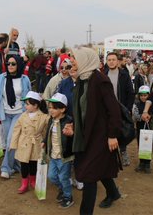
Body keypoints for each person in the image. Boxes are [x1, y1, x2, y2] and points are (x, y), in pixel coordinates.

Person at [67, 47, 122, 214]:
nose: (72, 61)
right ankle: (113, 193)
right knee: (99, 168)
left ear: (85, 59)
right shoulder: (82, 80)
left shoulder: (100, 80)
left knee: (89, 174)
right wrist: (74, 125)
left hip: (100, 136)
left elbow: (114, 110)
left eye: (75, 58)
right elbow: (81, 110)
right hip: (86, 136)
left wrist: (112, 135)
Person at [0, 53, 31, 179]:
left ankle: (5, 168)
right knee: (9, 141)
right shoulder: (1, 78)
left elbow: (28, 97)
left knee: (11, 139)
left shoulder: (24, 79)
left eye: (13, 64)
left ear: (19, 65)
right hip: (5, 114)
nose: (10, 66)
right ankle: (17, 165)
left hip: (19, 113)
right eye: (8, 64)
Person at [10, 91, 48, 194]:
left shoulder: (44, 117)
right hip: (24, 143)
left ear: (35, 105)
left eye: (28, 104)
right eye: (25, 104)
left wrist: (46, 143)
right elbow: (16, 130)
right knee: (24, 164)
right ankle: (24, 183)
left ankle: (33, 180)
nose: (25, 106)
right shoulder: (23, 116)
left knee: (33, 163)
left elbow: (46, 132)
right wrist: (13, 144)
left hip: (36, 143)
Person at [42, 92, 74, 208]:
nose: (50, 110)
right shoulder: (51, 120)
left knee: (63, 177)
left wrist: (71, 134)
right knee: (52, 176)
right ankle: (63, 188)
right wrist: (44, 142)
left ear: (63, 109)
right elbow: (48, 134)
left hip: (64, 156)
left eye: (54, 108)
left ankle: (68, 196)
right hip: (53, 155)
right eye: (49, 108)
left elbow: (73, 137)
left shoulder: (69, 121)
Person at [104, 51, 135, 166]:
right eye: (109, 60)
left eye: (113, 60)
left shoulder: (124, 75)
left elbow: (131, 93)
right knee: (108, 132)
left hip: (121, 109)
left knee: (122, 131)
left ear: (117, 62)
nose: (111, 62)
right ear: (106, 62)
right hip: (106, 110)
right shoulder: (103, 75)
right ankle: (110, 158)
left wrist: (128, 108)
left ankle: (123, 152)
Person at [132, 84, 153, 173]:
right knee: (141, 144)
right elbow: (135, 116)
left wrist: (150, 116)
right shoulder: (136, 104)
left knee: (149, 144)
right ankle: (141, 163)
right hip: (140, 127)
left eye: (145, 95)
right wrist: (142, 117)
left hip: (150, 128)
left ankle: (147, 163)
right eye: (141, 95)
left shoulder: (152, 104)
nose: (143, 97)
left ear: (149, 95)